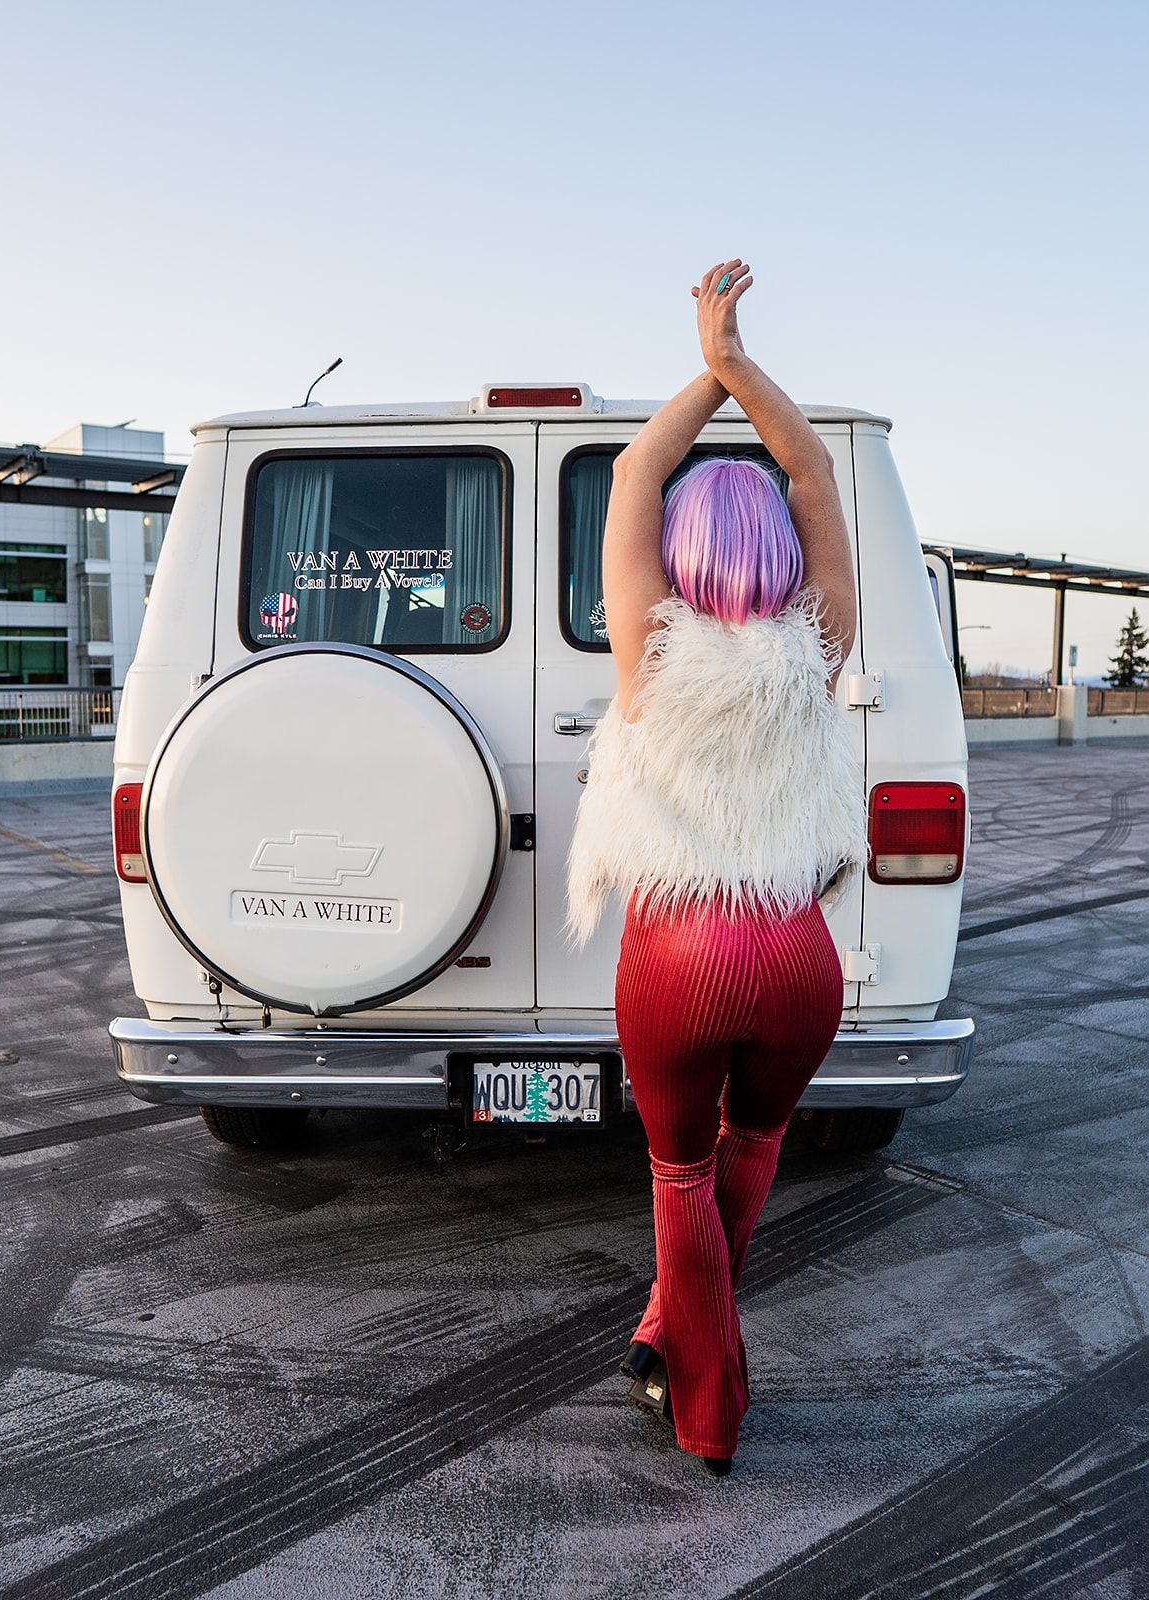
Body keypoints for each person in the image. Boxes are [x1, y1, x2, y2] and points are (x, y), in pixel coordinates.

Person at [563, 259, 870, 1477]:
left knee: (677, 1171)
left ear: (684, 549)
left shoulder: (647, 647)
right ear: (783, 554)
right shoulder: (819, 646)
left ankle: (706, 1415)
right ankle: (665, 1333)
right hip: (794, 953)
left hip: (676, 951)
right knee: (750, 1150)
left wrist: (704, 362)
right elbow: (816, 472)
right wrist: (740, 361)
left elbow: (638, 471)